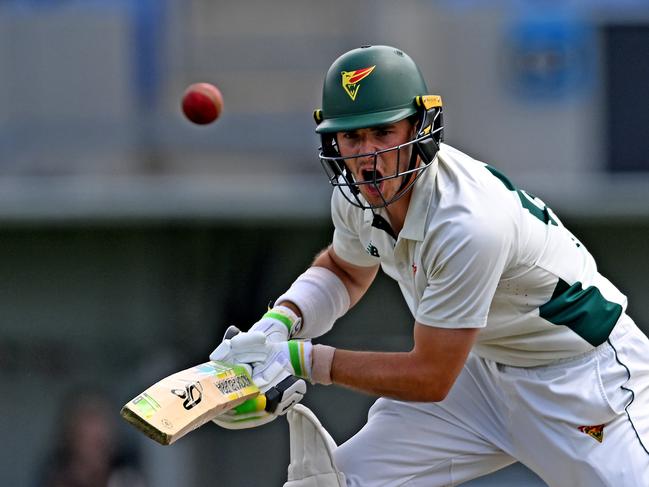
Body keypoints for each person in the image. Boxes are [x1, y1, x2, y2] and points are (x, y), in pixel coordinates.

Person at [211, 45, 649, 486]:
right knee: (331, 482)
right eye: (352, 137)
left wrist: (299, 359)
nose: (368, 157)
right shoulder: (357, 199)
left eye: (383, 132)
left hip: (581, 382)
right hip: (478, 374)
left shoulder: (468, 223)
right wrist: (277, 325)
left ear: (420, 130)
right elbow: (346, 271)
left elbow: (430, 377)